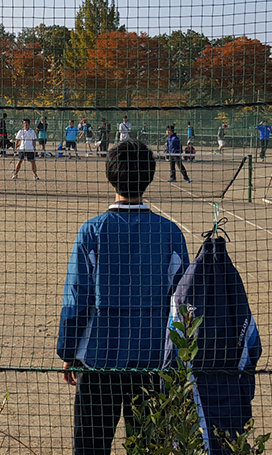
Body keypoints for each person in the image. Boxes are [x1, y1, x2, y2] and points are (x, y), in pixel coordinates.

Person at [57, 140, 191, 455]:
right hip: (151, 361)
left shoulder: (91, 232)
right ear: (150, 176)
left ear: (110, 176)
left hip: (98, 360)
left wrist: (68, 349)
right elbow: (182, 301)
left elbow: (77, 297)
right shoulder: (169, 233)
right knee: (148, 447)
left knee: (91, 447)